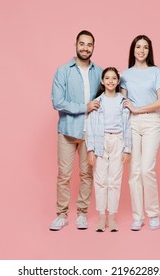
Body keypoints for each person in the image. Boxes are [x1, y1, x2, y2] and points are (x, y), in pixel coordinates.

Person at [50, 30, 102, 231]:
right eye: (82, 44)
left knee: (86, 174)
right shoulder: (63, 71)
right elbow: (58, 101)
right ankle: (62, 215)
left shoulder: (99, 71)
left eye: (89, 45)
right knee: (64, 175)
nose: (85, 48)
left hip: (90, 132)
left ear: (93, 47)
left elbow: (109, 92)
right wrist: (84, 107)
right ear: (76, 45)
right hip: (68, 131)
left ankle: (82, 213)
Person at [120, 35, 160, 231]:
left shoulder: (156, 72)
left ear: (149, 51)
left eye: (145, 47)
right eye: (138, 47)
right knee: (134, 171)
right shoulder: (125, 74)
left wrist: (138, 109)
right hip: (131, 123)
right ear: (133, 50)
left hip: (151, 122)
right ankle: (137, 217)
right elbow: (123, 104)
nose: (141, 50)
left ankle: (153, 214)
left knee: (147, 169)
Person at [86, 67, 131, 232]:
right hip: (101, 141)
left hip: (118, 140)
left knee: (115, 180)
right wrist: (90, 149)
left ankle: (112, 216)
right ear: (102, 81)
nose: (111, 81)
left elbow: (128, 126)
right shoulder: (97, 102)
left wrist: (127, 149)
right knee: (100, 180)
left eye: (114, 78)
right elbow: (89, 127)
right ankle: (101, 216)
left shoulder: (123, 102)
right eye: (107, 78)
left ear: (118, 81)